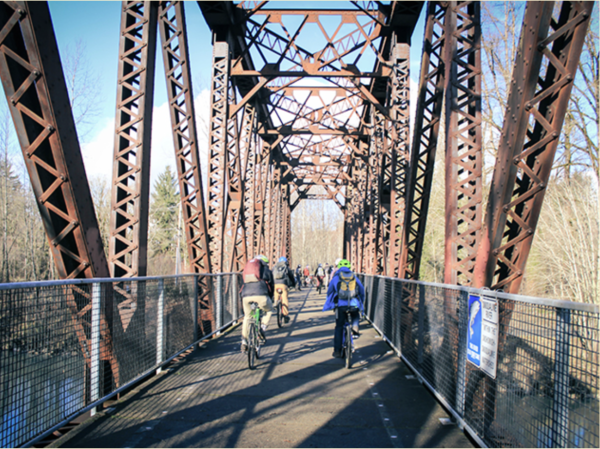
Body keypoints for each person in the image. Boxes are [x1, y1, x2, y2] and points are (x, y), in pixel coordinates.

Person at [322, 259, 365, 358]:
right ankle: (355, 327)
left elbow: (330, 292)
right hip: (354, 305)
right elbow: (361, 290)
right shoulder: (353, 276)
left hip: (340, 306)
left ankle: (337, 350)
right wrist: (361, 302)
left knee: (339, 327)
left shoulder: (336, 277)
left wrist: (329, 301)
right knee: (355, 314)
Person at [240, 255, 274, 353]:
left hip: (246, 296)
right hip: (261, 295)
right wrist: (270, 297)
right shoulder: (266, 270)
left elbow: (242, 283)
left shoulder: (247, 270)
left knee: (247, 317)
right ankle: (263, 327)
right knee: (269, 310)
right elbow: (271, 283)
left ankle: (244, 342)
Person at [272, 256, 296, 323]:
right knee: (284, 299)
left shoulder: (274, 267)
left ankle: (275, 301)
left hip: (276, 284)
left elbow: (271, 275)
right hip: (283, 284)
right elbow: (291, 276)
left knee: (276, 292)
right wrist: (293, 284)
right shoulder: (286, 268)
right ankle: (285, 315)